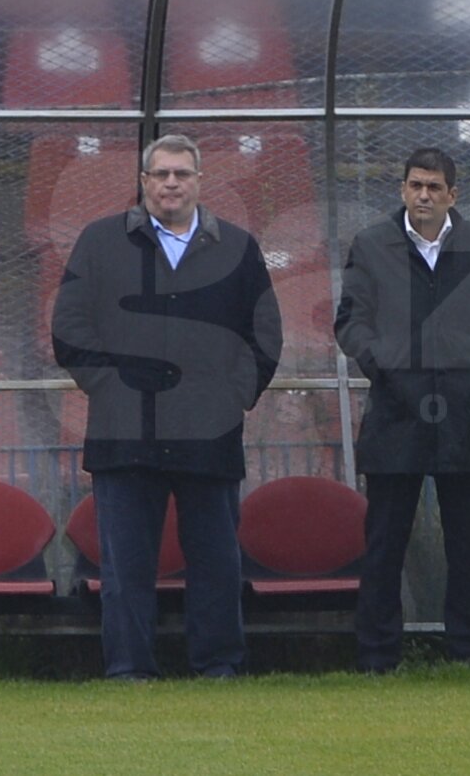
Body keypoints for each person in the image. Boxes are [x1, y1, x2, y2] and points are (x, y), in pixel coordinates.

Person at [52, 134, 282, 680]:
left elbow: (265, 334)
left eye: (181, 173)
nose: (171, 183)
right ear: (144, 182)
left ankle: (219, 666)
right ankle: (129, 670)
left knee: (217, 561)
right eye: (161, 174)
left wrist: (232, 396)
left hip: (210, 430)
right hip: (124, 431)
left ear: (199, 181)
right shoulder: (100, 241)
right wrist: (110, 387)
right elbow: (70, 327)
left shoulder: (238, 247)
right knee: (126, 566)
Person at [335, 147, 470, 673]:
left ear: (452, 195)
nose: (423, 195)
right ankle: (377, 655)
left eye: (435, 187)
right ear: (402, 189)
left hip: (464, 410)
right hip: (395, 409)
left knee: (467, 541)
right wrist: (384, 368)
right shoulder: (373, 245)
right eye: (415, 185)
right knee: (385, 540)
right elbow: (351, 321)